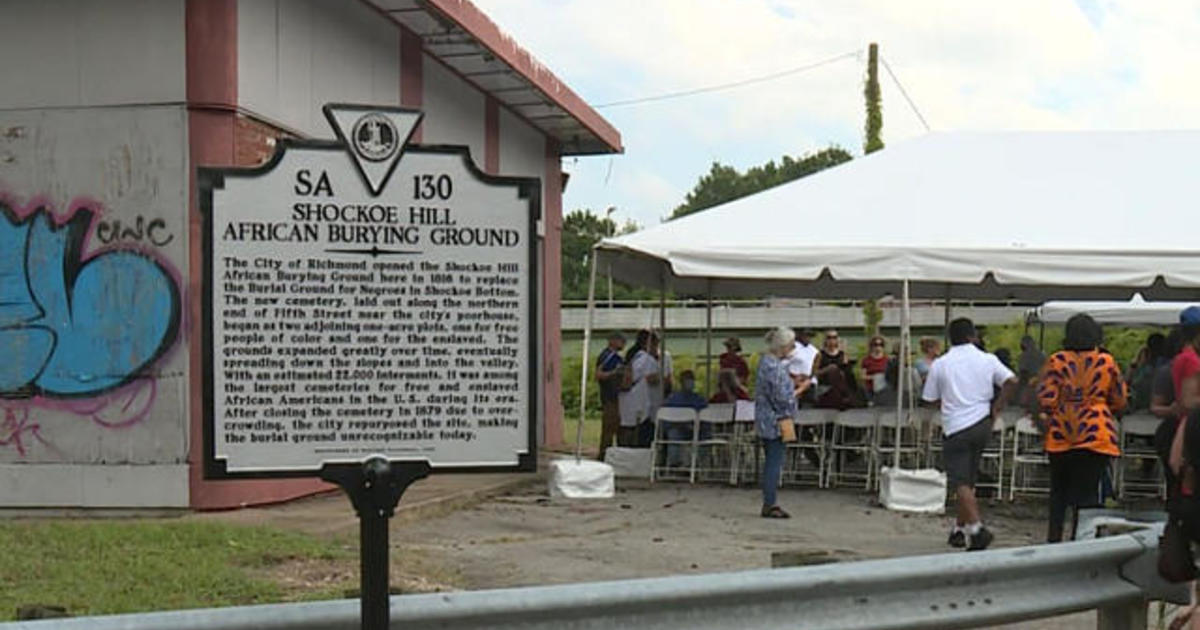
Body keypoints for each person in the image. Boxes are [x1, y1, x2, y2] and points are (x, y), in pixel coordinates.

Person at [922, 317, 1017, 551]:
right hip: (983, 421)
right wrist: (997, 407)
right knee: (969, 478)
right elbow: (1012, 381)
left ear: (950, 338)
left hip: (956, 425)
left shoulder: (941, 364)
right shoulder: (987, 359)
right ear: (972, 336)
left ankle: (976, 529)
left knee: (960, 481)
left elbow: (929, 399)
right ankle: (959, 528)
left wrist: (947, 402)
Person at [1036, 314, 1127, 543]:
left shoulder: (1056, 360)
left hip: (1061, 433)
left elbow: (1046, 398)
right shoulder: (1106, 361)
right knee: (1087, 494)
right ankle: (1082, 541)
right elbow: (1119, 399)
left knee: (1058, 492)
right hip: (1096, 433)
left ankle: (1054, 540)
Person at [756, 326, 802, 519]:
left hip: (765, 418)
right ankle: (770, 502)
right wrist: (797, 392)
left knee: (771, 460)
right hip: (777, 420)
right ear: (783, 347)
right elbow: (781, 397)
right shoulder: (774, 367)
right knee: (774, 462)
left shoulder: (765, 363)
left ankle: (770, 500)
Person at [618, 330, 658, 447]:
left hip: (626, 402)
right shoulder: (648, 360)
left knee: (627, 430)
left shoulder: (633, 356)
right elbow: (654, 380)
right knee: (640, 434)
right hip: (641, 403)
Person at [661, 370, 708, 468]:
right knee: (674, 434)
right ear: (681, 382)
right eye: (687, 380)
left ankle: (698, 464)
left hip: (696, 430)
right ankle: (674, 465)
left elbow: (706, 418)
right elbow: (665, 420)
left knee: (706, 435)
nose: (690, 382)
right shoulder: (672, 399)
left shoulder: (699, 399)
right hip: (677, 428)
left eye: (691, 380)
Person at [595, 331, 626, 462]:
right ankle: (603, 454)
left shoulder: (618, 357)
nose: (623, 344)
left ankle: (614, 454)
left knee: (618, 427)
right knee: (609, 428)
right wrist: (614, 373)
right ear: (613, 340)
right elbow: (598, 374)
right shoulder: (607, 356)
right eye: (621, 341)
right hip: (609, 397)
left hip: (618, 397)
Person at [814, 329, 855, 410]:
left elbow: (848, 372)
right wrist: (827, 369)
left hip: (840, 386)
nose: (832, 340)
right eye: (829, 337)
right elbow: (814, 373)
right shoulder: (820, 355)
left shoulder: (842, 354)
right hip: (825, 386)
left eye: (834, 337)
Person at [1017, 335, 1045, 412]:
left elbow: (1023, 372)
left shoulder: (1023, 356)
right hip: (1041, 382)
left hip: (1029, 383)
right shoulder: (1042, 355)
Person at [862, 335, 889, 400]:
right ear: (872, 346)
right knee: (878, 377)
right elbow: (863, 376)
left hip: (884, 386)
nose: (878, 347)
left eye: (881, 344)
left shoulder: (887, 360)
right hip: (871, 388)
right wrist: (874, 377)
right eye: (876, 344)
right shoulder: (866, 360)